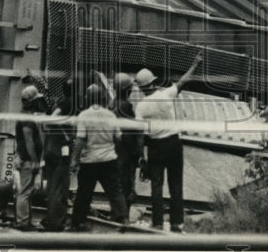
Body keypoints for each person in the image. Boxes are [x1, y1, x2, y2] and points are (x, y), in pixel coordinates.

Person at [134, 52, 203, 232]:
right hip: (173, 144)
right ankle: (176, 223)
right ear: (154, 82)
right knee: (176, 185)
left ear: (141, 88)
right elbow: (183, 80)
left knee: (156, 185)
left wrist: (141, 158)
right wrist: (195, 64)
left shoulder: (141, 107)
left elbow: (140, 135)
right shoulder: (166, 95)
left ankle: (157, 223)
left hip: (156, 146)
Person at [69, 84, 128, 231]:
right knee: (115, 191)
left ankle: (78, 222)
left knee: (84, 192)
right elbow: (119, 138)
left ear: (88, 99)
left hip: (90, 160)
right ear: (102, 98)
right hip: (109, 159)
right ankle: (123, 219)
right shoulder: (111, 115)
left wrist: (74, 159)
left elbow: (81, 139)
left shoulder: (84, 116)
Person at [40, 79, 75, 231]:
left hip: (50, 149)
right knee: (60, 187)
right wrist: (65, 137)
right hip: (61, 150)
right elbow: (51, 121)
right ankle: (57, 222)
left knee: (52, 187)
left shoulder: (59, 101)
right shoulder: (67, 104)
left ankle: (51, 218)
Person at [14, 84, 46, 231]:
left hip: (27, 159)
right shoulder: (27, 119)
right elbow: (29, 142)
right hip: (28, 161)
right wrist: (35, 162)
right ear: (31, 102)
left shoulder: (26, 116)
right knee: (25, 192)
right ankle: (22, 223)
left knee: (28, 192)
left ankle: (26, 221)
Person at [111, 72, 143, 210]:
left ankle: (116, 213)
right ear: (127, 90)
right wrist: (136, 153)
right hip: (124, 153)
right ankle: (122, 216)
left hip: (113, 151)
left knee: (116, 185)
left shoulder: (111, 104)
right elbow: (129, 134)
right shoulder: (125, 107)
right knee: (127, 186)